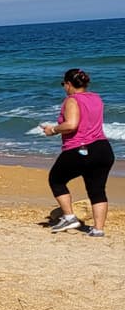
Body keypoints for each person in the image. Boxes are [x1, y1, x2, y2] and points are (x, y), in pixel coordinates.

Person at [42, 67, 114, 236]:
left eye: (63, 84)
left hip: (80, 148)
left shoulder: (72, 100)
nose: (64, 88)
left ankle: (69, 217)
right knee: (97, 190)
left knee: (56, 179)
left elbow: (72, 124)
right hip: (103, 148)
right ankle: (98, 230)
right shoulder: (96, 98)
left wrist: (52, 130)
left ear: (68, 84)